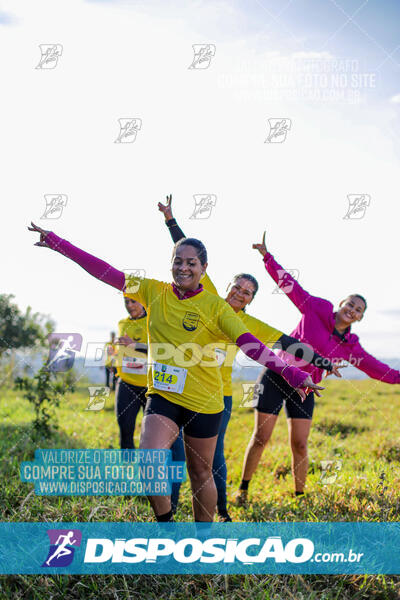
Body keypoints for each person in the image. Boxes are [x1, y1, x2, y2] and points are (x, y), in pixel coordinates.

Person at [28, 222, 323, 522]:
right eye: (178, 261)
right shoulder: (151, 291)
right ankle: (167, 526)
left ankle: (203, 540)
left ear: (204, 268)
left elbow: (250, 344)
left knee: (200, 471)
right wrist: (57, 243)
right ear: (170, 264)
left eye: (191, 263)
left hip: (205, 402)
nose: (184, 268)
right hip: (163, 394)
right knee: (149, 460)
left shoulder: (217, 308)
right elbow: (105, 272)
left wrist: (292, 373)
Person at [158, 195, 341, 521]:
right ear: (225, 285)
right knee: (171, 455)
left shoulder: (250, 324)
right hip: (177, 386)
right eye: (237, 287)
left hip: (217, 395)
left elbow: (290, 343)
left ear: (252, 299)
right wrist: (171, 220)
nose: (240, 293)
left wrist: (326, 364)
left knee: (211, 460)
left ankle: (223, 511)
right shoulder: (209, 295)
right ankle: (168, 515)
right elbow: (186, 251)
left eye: (247, 292)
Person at [236, 232, 400, 504]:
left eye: (358, 309)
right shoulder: (316, 309)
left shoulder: (351, 346)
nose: (352, 310)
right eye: (350, 304)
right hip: (277, 375)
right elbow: (291, 287)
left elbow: (378, 369)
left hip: (306, 388)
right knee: (261, 437)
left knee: (299, 443)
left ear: (360, 318)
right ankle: (243, 489)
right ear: (341, 304)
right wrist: (267, 256)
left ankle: (300, 496)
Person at [114, 295, 186, 502]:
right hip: (126, 383)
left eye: (134, 302)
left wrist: (134, 346)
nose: (130, 306)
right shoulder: (122, 323)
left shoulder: (155, 322)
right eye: (126, 302)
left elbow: (163, 350)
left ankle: (165, 489)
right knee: (126, 432)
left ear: (144, 303)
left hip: (152, 387)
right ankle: (128, 486)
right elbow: (124, 350)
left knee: (162, 439)